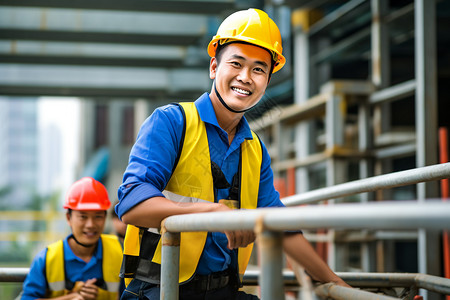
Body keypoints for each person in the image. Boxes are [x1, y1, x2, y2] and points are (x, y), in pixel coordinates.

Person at [115, 8, 349, 300]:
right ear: (214, 67)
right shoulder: (172, 122)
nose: (246, 77)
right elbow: (131, 205)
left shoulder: (254, 149)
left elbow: (280, 225)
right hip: (159, 290)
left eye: (259, 69)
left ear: (267, 79)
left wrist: (336, 284)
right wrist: (213, 212)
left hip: (225, 291)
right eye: (236, 64)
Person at [21, 177, 123, 300]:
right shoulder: (46, 259)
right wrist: (72, 297)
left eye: (98, 216)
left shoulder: (120, 252)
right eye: (83, 217)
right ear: (68, 218)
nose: (90, 224)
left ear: (105, 218)